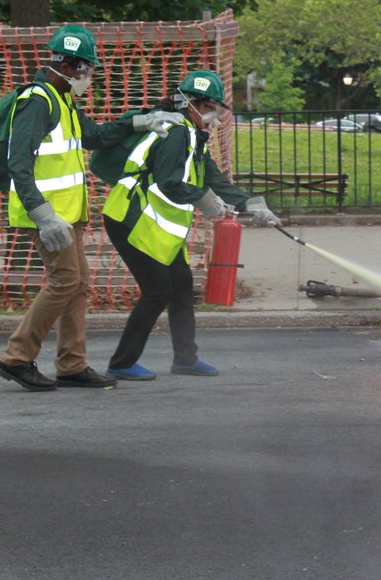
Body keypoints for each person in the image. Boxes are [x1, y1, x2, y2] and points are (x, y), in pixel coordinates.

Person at [0, 25, 185, 392]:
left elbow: (94, 136)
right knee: (65, 281)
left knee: (78, 285)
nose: (89, 77)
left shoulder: (62, 100)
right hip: (49, 215)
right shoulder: (38, 101)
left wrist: (140, 121)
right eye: (87, 69)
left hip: (67, 213)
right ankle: (16, 358)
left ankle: (71, 364)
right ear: (68, 66)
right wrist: (41, 213)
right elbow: (17, 162)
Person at [100, 70, 280, 380]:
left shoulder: (193, 135)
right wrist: (204, 200)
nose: (214, 114)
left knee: (181, 286)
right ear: (190, 103)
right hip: (129, 219)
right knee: (157, 291)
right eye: (210, 106)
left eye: (215, 107)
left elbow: (210, 175)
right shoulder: (176, 133)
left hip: (150, 224)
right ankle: (121, 363)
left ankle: (185, 359)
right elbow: (170, 183)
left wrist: (249, 203)